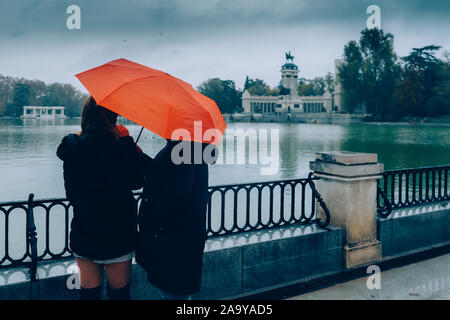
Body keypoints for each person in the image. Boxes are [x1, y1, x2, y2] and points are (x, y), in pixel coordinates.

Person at [57, 96, 149, 300]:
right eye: (115, 115)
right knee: (120, 295)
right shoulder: (118, 146)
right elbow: (138, 180)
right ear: (110, 118)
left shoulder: (72, 148)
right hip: (117, 232)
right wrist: (128, 145)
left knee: (89, 295)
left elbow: (71, 194)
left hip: (84, 229)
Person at [136, 140, 215, 300]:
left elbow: (176, 197)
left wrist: (154, 226)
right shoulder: (189, 149)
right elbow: (166, 175)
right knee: (177, 293)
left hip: (175, 242)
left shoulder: (183, 151)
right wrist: (140, 156)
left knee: (175, 293)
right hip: (182, 240)